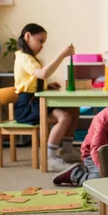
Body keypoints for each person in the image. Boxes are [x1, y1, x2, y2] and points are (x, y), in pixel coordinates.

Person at [14, 23, 81, 172]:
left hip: (36, 101)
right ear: (27, 36)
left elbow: (33, 80)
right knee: (64, 116)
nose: (42, 45)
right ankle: (50, 158)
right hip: (27, 106)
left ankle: (68, 151)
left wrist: (47, 86)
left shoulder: (30, 58)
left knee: (74, 109)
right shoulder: (24, 57)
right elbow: (42, 74)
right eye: (40, 40)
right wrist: (61, 55)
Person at [52, 79, 108, 186]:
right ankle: (76, 174)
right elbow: (96, 150)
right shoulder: (103, 120)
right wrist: (105, 171)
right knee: (101, 181)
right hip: (93, 155)